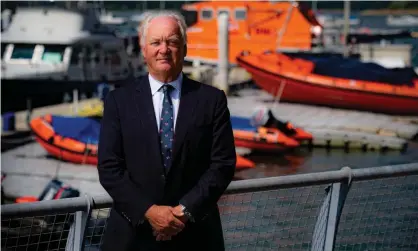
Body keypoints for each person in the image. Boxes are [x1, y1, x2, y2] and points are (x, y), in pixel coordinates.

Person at [98, 10, 236, 251]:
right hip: (132, 237)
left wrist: (183, 212)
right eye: (156, 42)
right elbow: (109, 168)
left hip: (195, 236)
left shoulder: (212, 100)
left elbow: (222, 164)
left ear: (184, 48)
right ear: (144, 50)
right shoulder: (118, 101)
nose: (164, 49)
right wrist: (149, 212)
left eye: (172, 41)